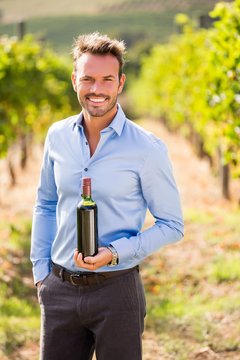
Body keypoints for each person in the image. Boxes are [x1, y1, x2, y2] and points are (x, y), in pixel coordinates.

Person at [30, 32, 184, 360]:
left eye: (106, 79)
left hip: (118, 292)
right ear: (75, 81)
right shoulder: (57, 136)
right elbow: (45, 203)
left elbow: (172, 224)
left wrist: (114, 254)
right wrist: (40, 271)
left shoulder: (147, 148)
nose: (96, 89)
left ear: (120, 83)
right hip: (58, 289)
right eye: (88, 78)